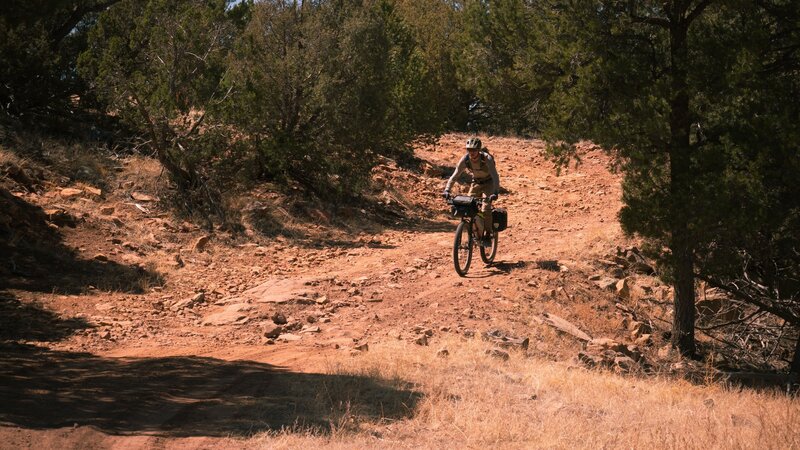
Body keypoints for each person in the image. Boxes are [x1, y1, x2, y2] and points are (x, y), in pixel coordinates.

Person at [443, 137, 500, 246]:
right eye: (469, 150)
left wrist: (495, 192)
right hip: (476, 183)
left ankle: (488, 234)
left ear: (478, 150)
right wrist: (447, 190)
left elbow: (495, 176)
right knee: (468, 206)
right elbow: (455, 175)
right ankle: (475, 232)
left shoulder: (486, 158)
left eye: (474, 150)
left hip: (489, 183)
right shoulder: (465, 160)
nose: (471, 153)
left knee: (485, 208)